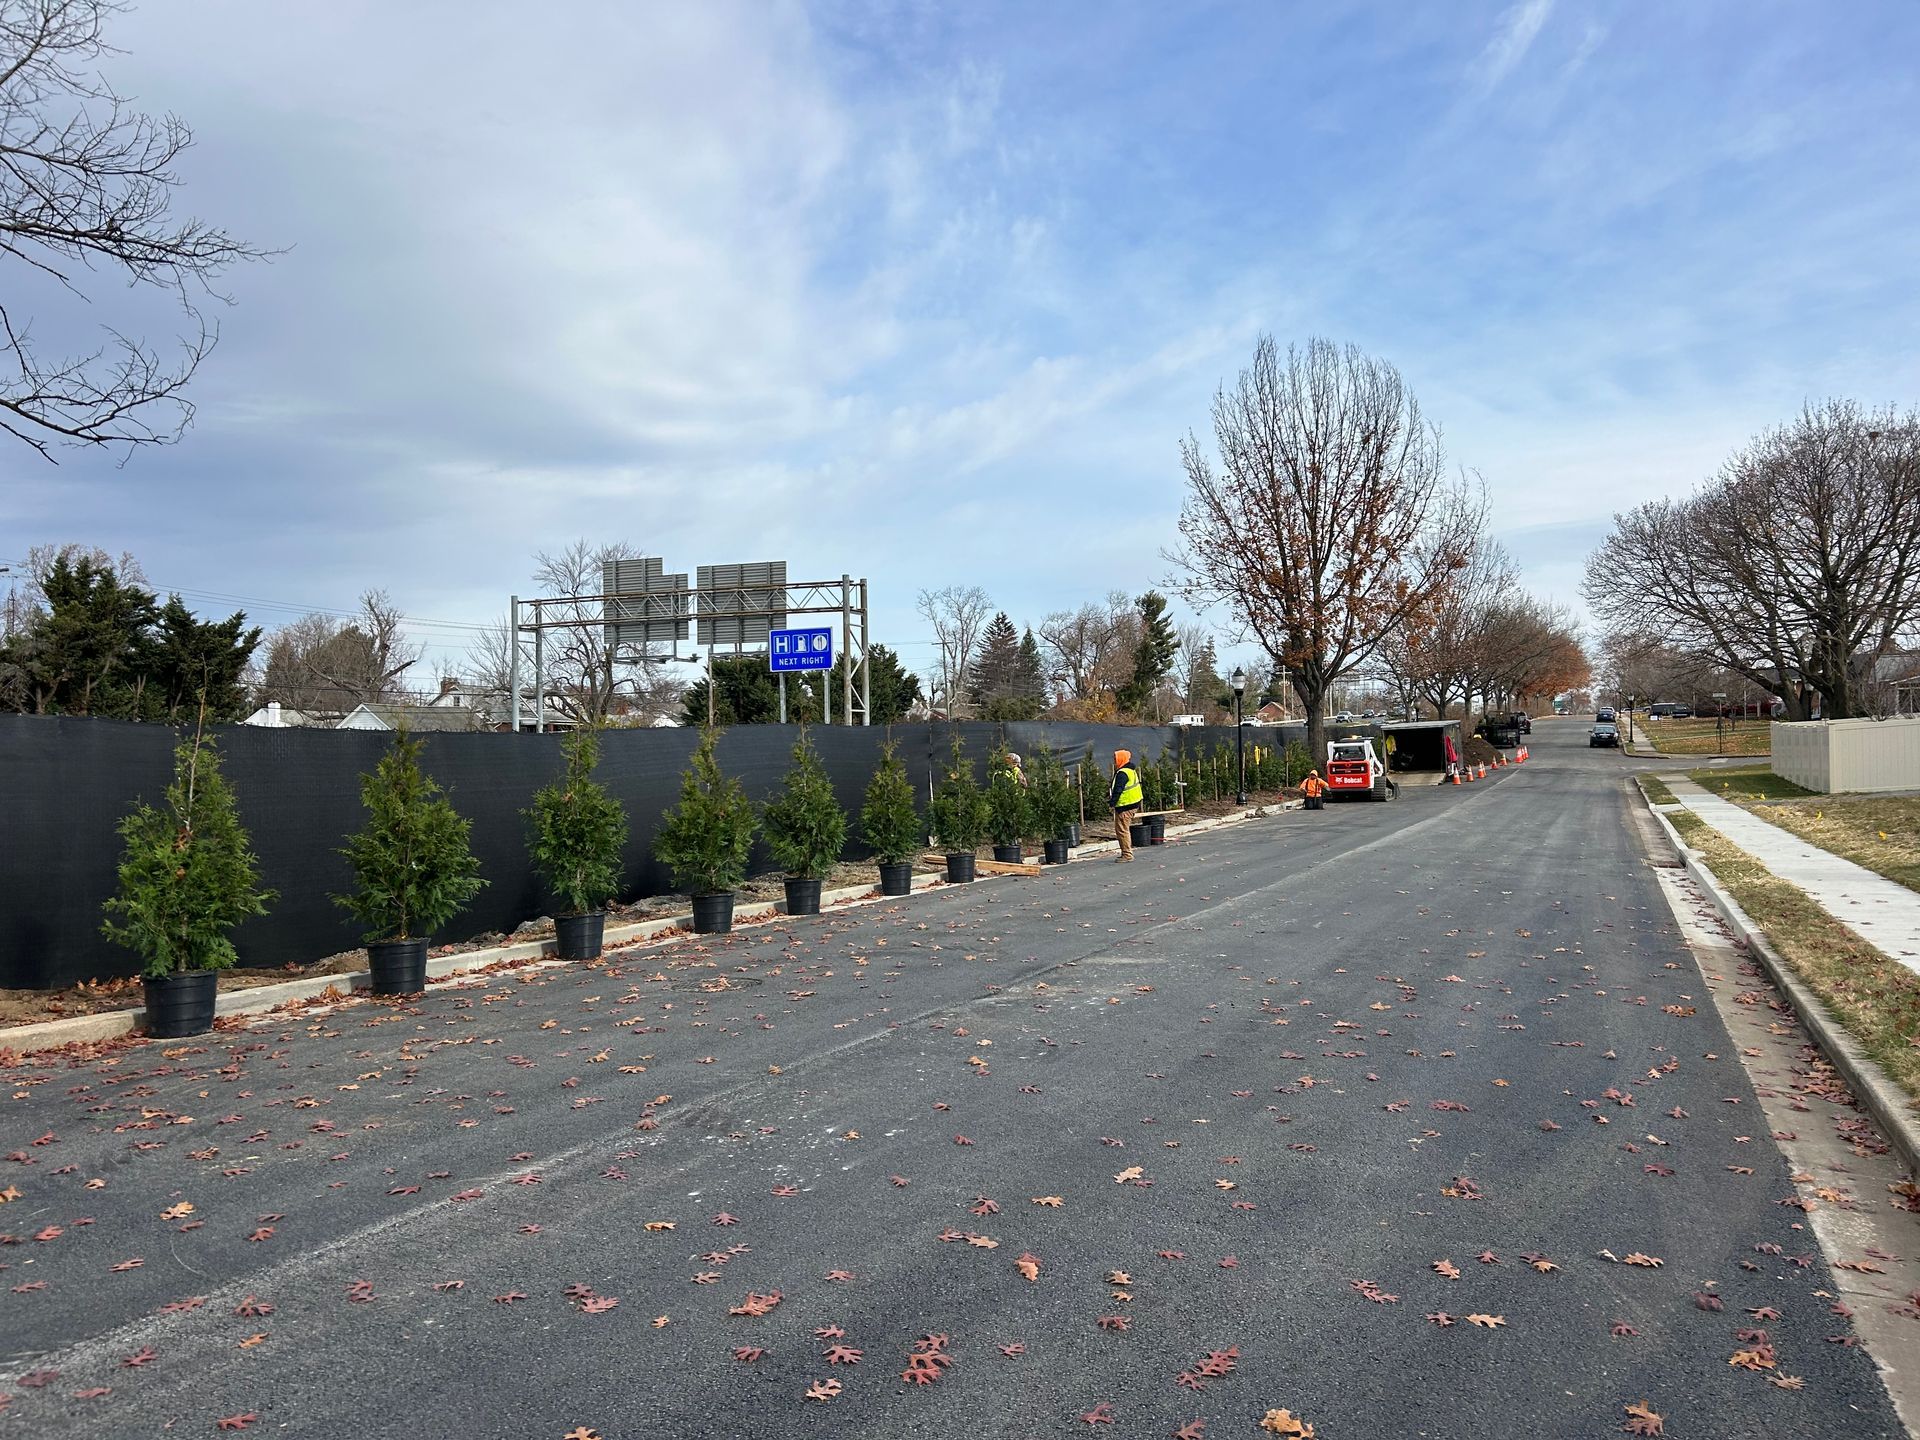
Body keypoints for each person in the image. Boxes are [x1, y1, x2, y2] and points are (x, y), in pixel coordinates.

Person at [1110, 748, 1144, 862]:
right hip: (1133, 804)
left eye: (1116, 759)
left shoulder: (1122, 773)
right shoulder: (1130, 770)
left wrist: (1112, 803)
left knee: (1122, 830)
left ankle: (1127, 854)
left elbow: (1118, 790)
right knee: (1123, 829)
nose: (1114, 762)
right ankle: (1126, 853)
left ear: (1121, 759)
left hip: (1125, 806)